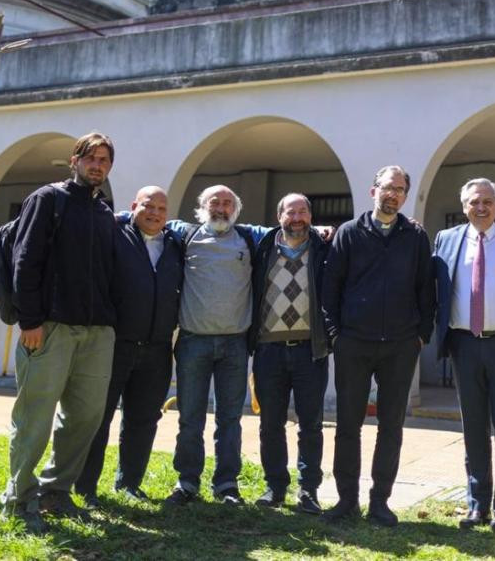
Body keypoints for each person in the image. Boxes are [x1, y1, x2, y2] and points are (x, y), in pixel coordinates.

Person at [2, 132, 118, 531]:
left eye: (104, 160)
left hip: (98, 331)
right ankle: (18, 496)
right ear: (74, 160)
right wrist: (29, 320)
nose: (97, 165)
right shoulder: (47, 199)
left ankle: (55, 491)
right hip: (49, 327)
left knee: (86, 416)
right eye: (91, 158)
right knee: (35, 415)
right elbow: (25, 260)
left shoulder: (105, 212)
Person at [321, 165, 434, 527]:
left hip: (401, 345)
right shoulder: (350, 234)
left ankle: (380, 502)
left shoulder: (415, 236)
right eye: (388, 188)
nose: (393, 194)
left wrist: (421, 335)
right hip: (353, 342)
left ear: (405, 195)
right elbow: (330, 289)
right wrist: (336, 335)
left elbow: (425, 288)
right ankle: (346, 500)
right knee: (347, 425)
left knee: (391, 426)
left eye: (400, 189)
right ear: (373, 192)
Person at [432, 178, 495, 534]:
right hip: (464, 345)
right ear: (464, 206)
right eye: (475, 201)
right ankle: (477, 504)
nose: (481, 207)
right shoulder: (446, 240)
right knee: (473, 427)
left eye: (488, 201)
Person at [74, 186, 183, 506]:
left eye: (162, 209)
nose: (155, 213)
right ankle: (85, 486)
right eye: (149, 206)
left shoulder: (175, 243)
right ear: (134, 206)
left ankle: (129, 483)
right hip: (113, 344)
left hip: (158, 348)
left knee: (143, 419)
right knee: (98, 417)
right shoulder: (116, 233)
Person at [162, 185, 269, 507]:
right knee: (190, 418)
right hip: (193, 342)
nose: (221, 208)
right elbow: (143, 217)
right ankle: (187, 482)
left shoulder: (250, 237)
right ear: (202, 206)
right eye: (215, 202)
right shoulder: (185, 234)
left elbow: (285, 228)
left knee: (230, 419)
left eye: (227, 203)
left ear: (236, 209)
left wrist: (321, 230)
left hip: (235, 344)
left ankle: (226, 485)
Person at [247, 193, 330, 515]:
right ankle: (275, 487)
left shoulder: (324, 248)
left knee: (311, 425)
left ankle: (308, 491)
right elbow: (221, 221)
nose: (297, 217)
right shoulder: (263, 245)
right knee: (271, 424)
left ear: (311, 215)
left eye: (303, 211)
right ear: (278, 215)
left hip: (311, 351)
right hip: (269, 350)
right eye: (290, 212)